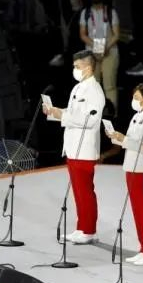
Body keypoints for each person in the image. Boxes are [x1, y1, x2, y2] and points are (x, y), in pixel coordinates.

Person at [42, 50, 105, 244]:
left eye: (77, 66)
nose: (75, 70)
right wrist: (54, 112)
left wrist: (64, 116)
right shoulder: (78, 87)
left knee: (85, 191)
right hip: (72, 147)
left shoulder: (95, 91)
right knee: (78, 192)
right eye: (74, 66)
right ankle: (81, 227)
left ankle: (89, 230)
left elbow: (92, 120)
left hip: (84, 149)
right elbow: (71, 112)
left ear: (88, 67)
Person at [107, 83, 143, 266]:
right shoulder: (137, 115)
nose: (134, 100)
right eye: (134, 97)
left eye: (137, 98)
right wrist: (117, 138)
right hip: (131, 167)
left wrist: (124, 139)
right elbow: (130, 141)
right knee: (138, 211)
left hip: (142, 169)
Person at [79, 0, 120, 111]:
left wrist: (105, 48)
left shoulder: (111, 12)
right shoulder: (85, 13)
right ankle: (93, 113)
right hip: (91, 54)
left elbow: (116, 35)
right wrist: (96, 47)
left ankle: (111, 113)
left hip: (110, 51)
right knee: (93, 85)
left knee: (109, 85)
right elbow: (83, 34)